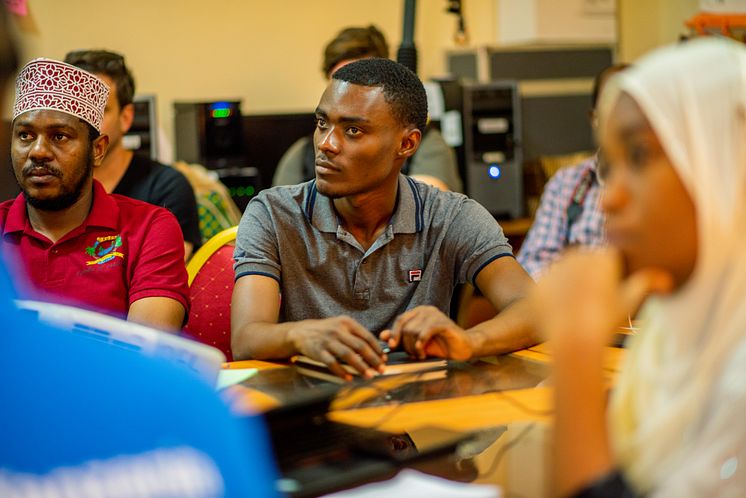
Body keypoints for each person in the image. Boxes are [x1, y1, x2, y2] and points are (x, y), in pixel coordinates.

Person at [232, 58, 537, 380]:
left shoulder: (452, 215)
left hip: (422, 408)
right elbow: (245, 338)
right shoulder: (272, 213)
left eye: (352, 130)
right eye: (322, 124)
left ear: (406, 144)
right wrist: (299, 335)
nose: (326, 144)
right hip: (316, 409)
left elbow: (536, 311)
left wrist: (469, 341)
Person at [533, 38, 746, 497]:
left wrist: (576, 354)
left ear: (729, 162)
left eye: (641, 156)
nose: (609, 197)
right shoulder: (668, 329)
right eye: (611, 163)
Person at [0, 58, 189, 331]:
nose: (38, 151)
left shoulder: (149, 228)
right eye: (26, 136)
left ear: (97, 149)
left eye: (60, 136)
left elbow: (146, 353)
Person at [272, 25, 463, 193]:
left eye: (360, 83)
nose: (328, 145)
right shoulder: (301, 154)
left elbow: (425, 207)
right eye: (341, 83)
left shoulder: (428, 146)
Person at [64, 49, 202, 260]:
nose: (83, 121)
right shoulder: (49, 183)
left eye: (97, 110)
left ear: (126, 117)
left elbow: (164, 273)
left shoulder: (166, 188)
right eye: (73, 108)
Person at [517, 64, 628, 280]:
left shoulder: (667, 184)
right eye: (613, 105)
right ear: (594, 118)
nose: (625, 117)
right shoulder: (566, 184)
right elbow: (531, 262)